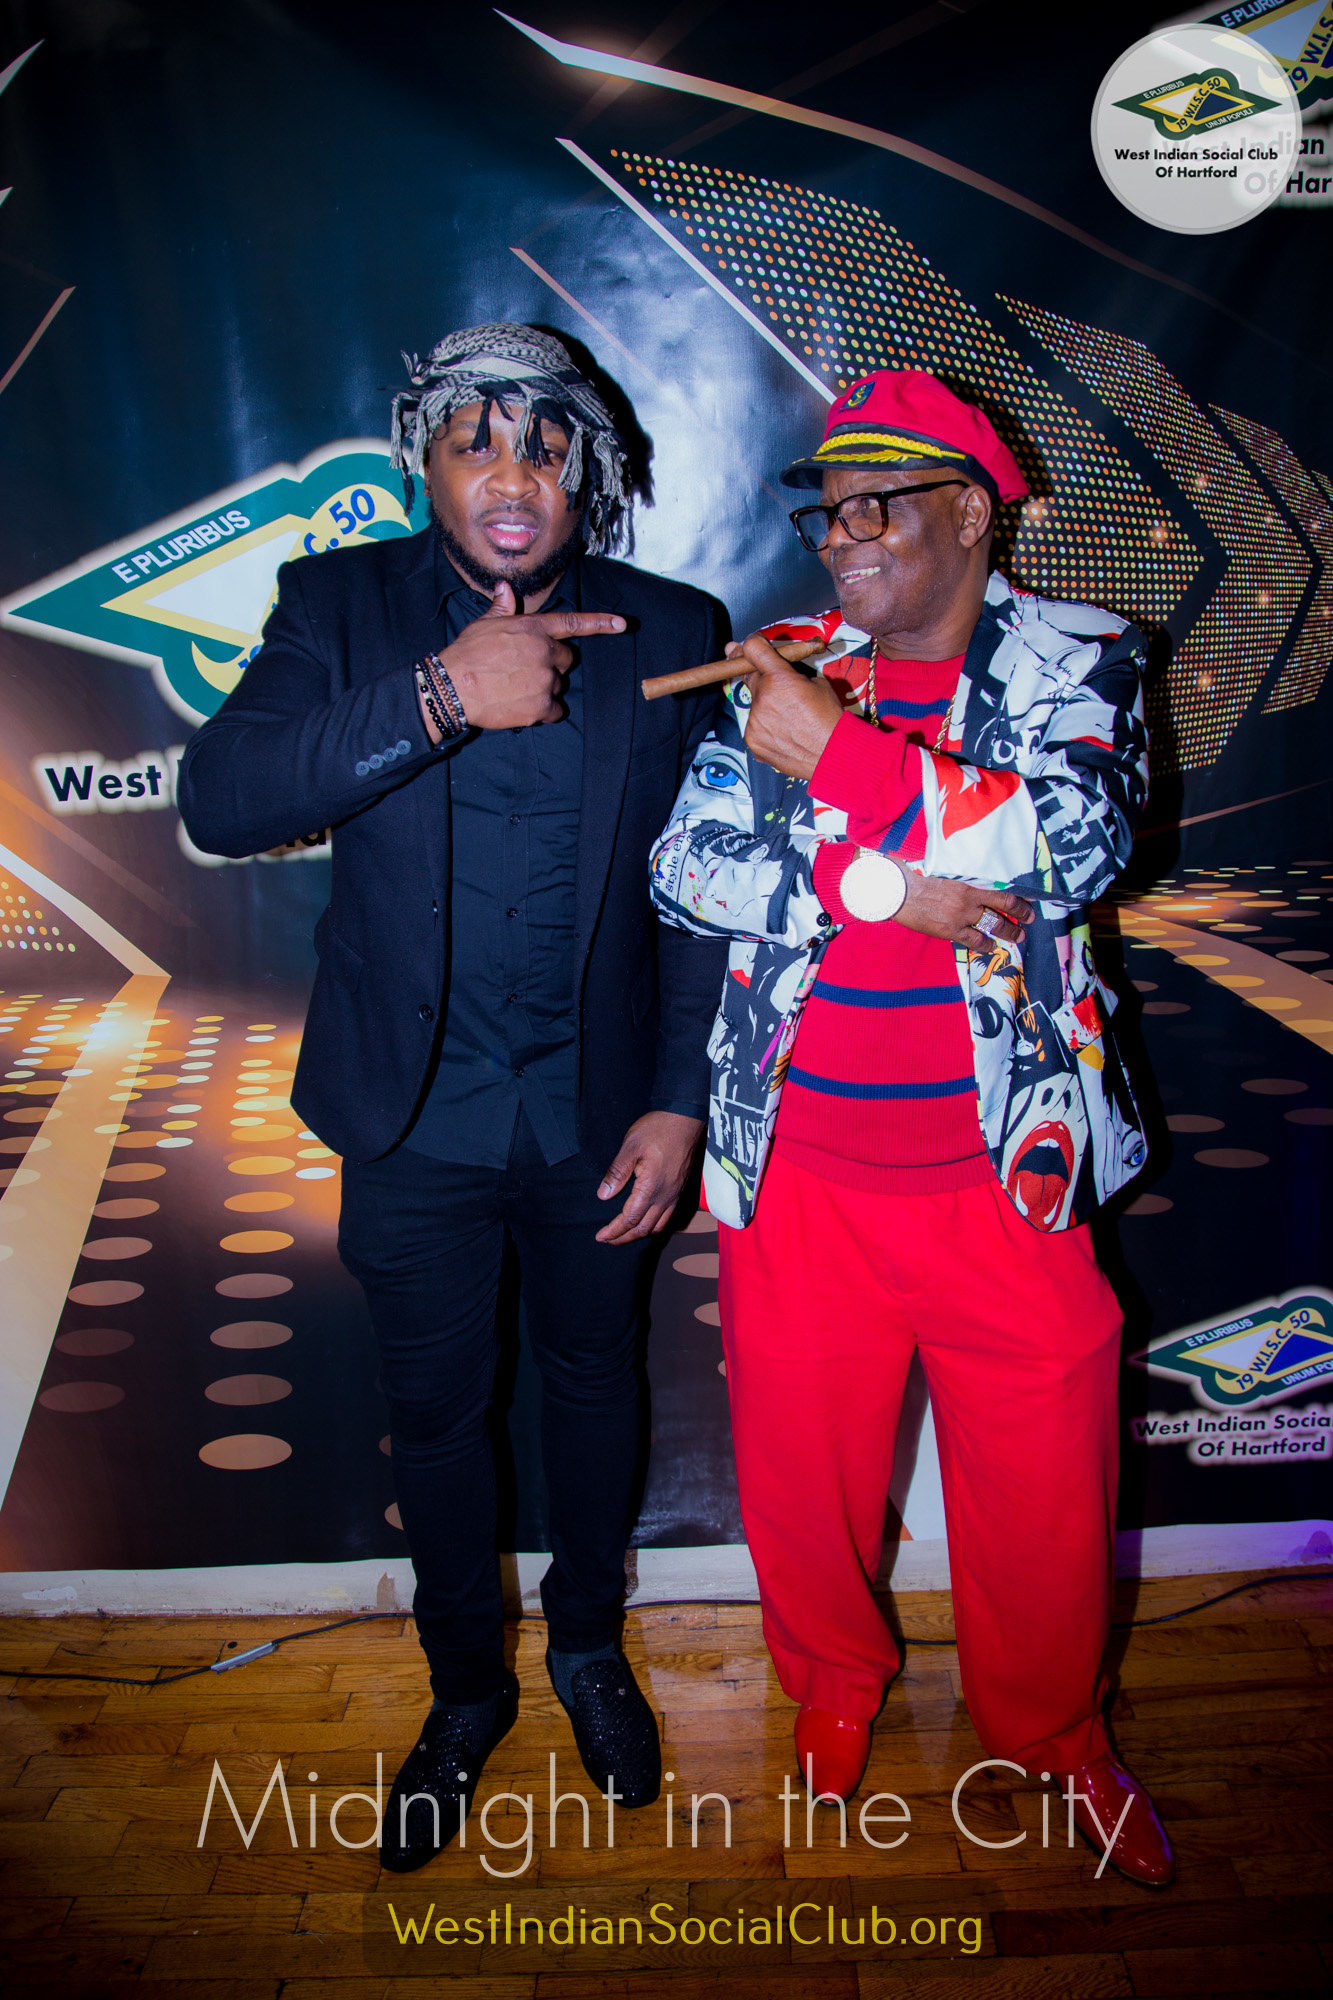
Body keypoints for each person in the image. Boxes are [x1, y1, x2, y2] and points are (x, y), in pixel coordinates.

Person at [178, 323, 727, 1871]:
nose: (511, 475)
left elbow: (702, 895)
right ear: (421, 460)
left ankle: (591, 1652)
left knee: (593, 1388)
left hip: (598, 1117)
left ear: (587, 472)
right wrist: (439, 694)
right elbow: (222, 801)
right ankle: (465, 1692)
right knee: (434, 1418)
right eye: (475, 440)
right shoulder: (339, 608)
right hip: (410, 1118)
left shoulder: (672, 628)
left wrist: (679, 1098)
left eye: (546, 446)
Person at [650, 368, 1175, 1886]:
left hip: (1005, 1171)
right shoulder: (787, 669)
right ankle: (831, 1685)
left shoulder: (1082, 657)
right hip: (799, 1168)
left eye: (877, 507)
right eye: (827, 514)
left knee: (1047, 1500)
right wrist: (879, 885)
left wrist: (847, 763)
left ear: (972, 513)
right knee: (800, 1486)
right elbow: (686, 867)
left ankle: (1053, 1729)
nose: (842, 539)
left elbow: (1072, 847)